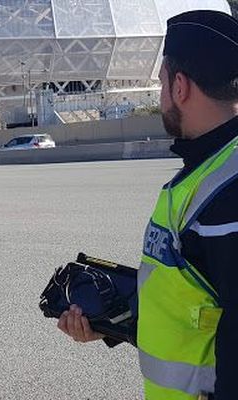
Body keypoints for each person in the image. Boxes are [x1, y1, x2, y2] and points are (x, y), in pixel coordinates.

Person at [57, 10, 238, 400]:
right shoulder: (205, 171)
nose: (160, 97)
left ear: (180, 87)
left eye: (160, 83)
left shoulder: (229, 190)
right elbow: (188, 300)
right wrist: (110, 322)